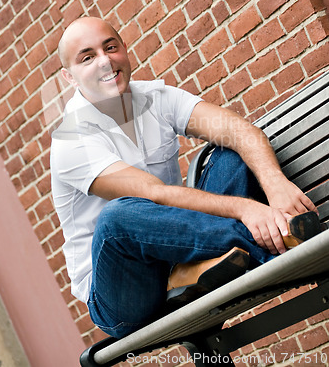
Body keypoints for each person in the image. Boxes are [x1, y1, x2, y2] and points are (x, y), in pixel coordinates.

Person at [50, 17, 320, 339]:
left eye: (111, 47)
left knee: (229, 151)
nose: (106, 61)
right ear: (70, 76)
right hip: (123, 293)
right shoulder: (71, 139)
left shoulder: (156, 97)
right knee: (116, 219)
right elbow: (155, 195)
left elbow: (237, 130)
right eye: (88, 57)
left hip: (182, 249)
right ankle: (276, 241)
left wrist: (275, 184)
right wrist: (249, 211)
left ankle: (194, 269)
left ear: (124, 48)